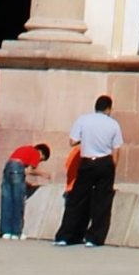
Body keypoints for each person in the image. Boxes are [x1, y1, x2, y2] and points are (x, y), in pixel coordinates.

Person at [54, 95, 123, 247]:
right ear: (108, 109)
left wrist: (86, 138)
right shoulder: (113, 124)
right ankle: (94, 238)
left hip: (87, 161)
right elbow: (116, 149)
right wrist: (113, 167)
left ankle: (66, 235)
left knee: (77, 199)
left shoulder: (83, 120)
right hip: (105, 162)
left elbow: (72, 141)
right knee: (102, 202)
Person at [0, 138, 49, 240]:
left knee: (7, 201)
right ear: (42, 153)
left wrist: (24, 182)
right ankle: (16, 232)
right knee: (18, 202)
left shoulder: (24, 149)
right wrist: (44, 174)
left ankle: (5, 232)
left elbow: (17, 172)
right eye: (42, 159)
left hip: (8, 168)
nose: (39, 161)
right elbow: (29, 171)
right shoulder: (35, 153)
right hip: (17, 169)